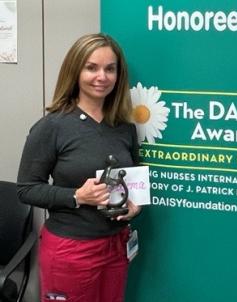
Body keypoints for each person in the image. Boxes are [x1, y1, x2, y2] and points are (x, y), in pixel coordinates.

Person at [17, 33, 141, 302]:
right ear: (75, 71)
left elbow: (132, 178)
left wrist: (135, 204)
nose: (102, 76)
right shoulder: (52, 127)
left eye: (110, 69)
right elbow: (26, 190)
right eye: (91, 67)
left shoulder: (124, 127)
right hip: (70, 249)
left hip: (116, 246)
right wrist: (76, 196)